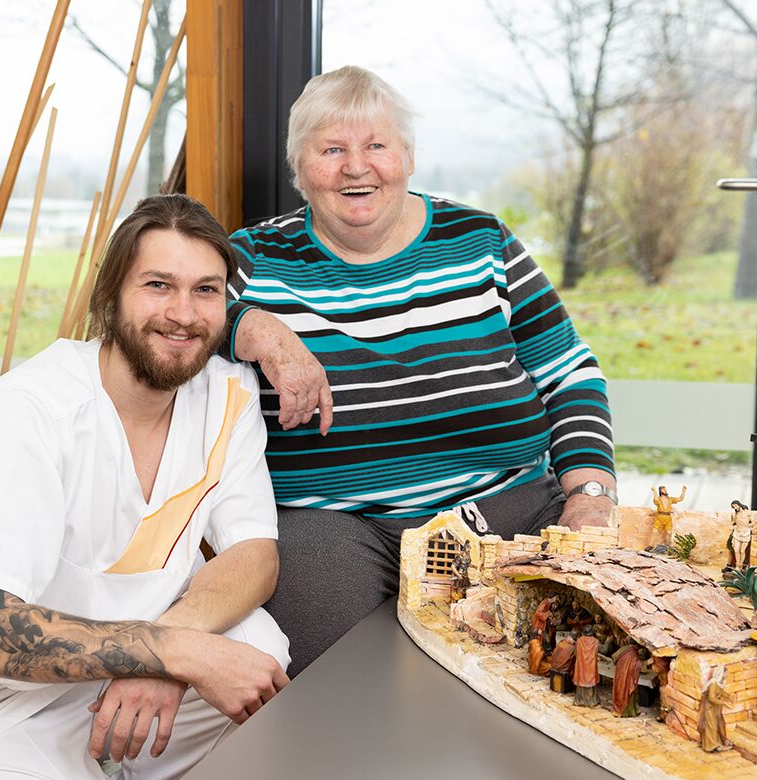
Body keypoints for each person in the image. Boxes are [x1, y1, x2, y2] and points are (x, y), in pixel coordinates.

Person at [0, 195, 291, 779]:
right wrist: (174, 653)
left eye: (206, 290)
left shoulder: (227, 396)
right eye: (158, 285)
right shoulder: (28, 412)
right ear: (111, 296)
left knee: (260, 651)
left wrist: (166, 653)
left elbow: (254, 554)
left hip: (123, 674)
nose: (184, 314)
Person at [223, 65, 617, 677]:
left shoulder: (481, 241)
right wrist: (255, 328)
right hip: (335, 525)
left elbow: (570, 374)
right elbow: (163, 316)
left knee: (576, 663)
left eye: (376, 145)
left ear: (407, 156)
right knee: (339, 689)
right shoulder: (254, 259)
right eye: (331, 149)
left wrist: (590, 493)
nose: (357, 167)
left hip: (507, 506)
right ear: (299, 170)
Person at [611, 644, 647, 717]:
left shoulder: (625, 648)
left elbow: (614, 657)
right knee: (627, 693)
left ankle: (624, 710)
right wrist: (646, 663)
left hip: (620, 674)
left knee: (620, 691)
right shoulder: (633, 653)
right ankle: (627, 712)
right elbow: (637, 665)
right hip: (627, 678)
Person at [651, 485, 687, 550]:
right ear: (660, 491)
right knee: (654, 531)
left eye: (665, 489)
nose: (665, 490)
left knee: (669, 532)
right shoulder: (658, 498)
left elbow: (680, 499)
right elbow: (655, 500)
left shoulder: (670, 499)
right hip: (659, 517)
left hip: (667, 517)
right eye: (664, 489)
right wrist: (654, 491)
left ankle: (668, 546)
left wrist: (683, 491)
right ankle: (651, 545)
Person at [572, 625, 600, 707]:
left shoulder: (579, 641)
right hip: (591, 666)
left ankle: (580, 700)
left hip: (581, 666)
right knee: (591, 681)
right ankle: (591, 701)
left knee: (581, 681)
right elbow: (604, 649)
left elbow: (575, 653)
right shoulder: (595, 641)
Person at [728, 499, 753, 570]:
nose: (735, 508)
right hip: (737, 533)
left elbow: (753, 522)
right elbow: (734, 522)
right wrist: (733, 524)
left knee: (742, 551)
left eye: (735, 506)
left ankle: (740, 565)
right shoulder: (736, 513)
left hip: (745, 533)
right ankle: (737, 565)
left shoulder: (748, 513)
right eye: (733, 507)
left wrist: (747, 526)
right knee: (736, 550)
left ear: (738, 504)